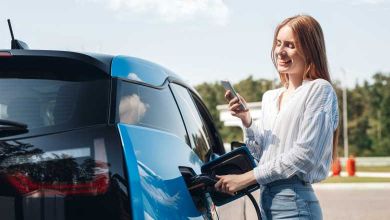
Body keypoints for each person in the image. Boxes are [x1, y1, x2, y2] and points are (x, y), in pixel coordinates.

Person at [214, 15, 339, 220]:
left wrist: (245, 179)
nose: (280, 51)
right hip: (267, 203)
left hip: (295, 205)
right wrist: (247, 121)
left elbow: (304, 155)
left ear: (309, 50)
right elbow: (261, 155)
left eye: (290, 45)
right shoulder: (270, 98)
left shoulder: (319, 90)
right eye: (278, 43)